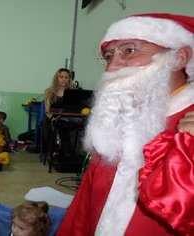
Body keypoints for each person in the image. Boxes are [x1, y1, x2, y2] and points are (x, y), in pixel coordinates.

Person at [57, 13, 194, 235]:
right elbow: (83, 211)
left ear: (179, 58)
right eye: (109, 56)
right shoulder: (113, 126)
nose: (112, 67)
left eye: (130, 50)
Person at [41, 68, 75, 157]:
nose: (64, 79)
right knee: (45, 122)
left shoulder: (73, 92)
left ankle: (66, 152)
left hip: (66, 116)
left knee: (63, 124)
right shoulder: (49, 91)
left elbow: (73, 109)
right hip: (51, 115)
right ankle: (52, 149)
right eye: (61, 77)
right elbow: (47, 110)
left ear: (69, 79)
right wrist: (53, 118)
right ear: (56, 78)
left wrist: (61, 117)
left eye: (66, 77)